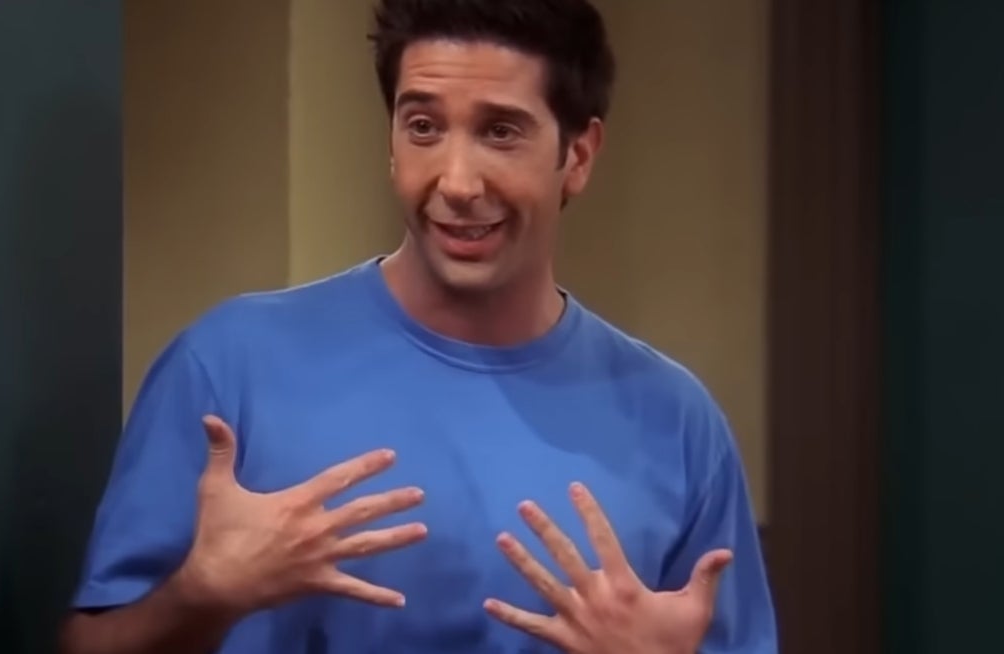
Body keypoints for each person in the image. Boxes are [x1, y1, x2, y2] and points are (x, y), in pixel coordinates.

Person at [59, 0, 778, 652]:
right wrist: (200, 597)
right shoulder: (229, 367)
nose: (456, 182)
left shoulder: (676, 424)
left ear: (578, 157)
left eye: (500, 132)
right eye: (424, 127)